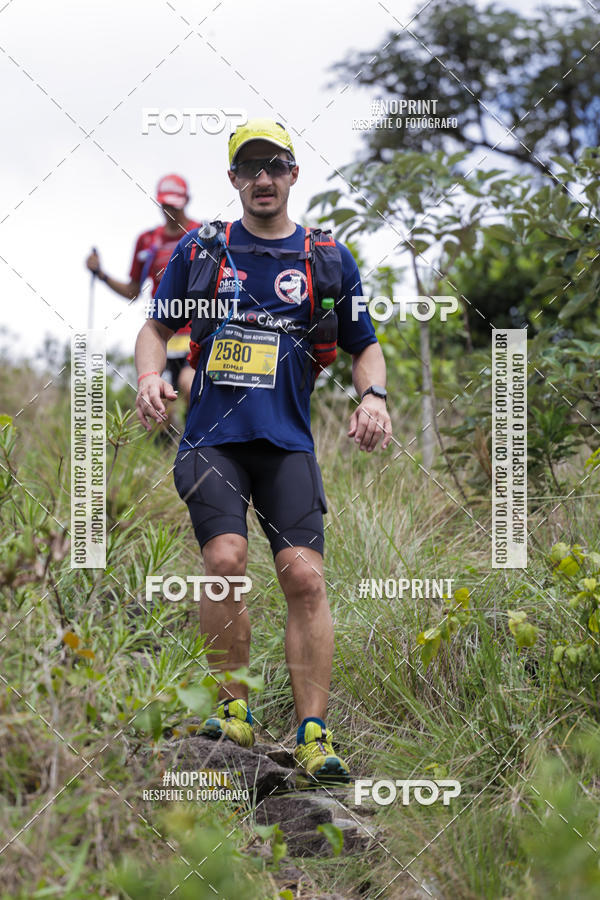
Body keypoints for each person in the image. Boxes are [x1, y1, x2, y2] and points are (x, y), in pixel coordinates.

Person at [133, 119, 393, 787]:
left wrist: (375, 399)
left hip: (288, 445)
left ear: (293, 175)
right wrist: (148, 376)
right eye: (251, 169)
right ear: (234, 181)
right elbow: (156, 328)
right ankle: (234, 710)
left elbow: (364, 344)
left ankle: (313, 734)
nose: (264, 179)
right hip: (213, 438)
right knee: (225, 558)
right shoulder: (202, 250)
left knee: (305, 578)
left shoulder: (326, 257)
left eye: (276, 166)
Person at [85, 174, 199, 405]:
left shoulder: (203, 234)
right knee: (157, 403)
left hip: (195, 333)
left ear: (187, 200)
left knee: (190, 386)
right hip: (161, 333)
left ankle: (197, 436)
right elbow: (133, 291)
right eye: (166, 205)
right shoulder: (147, 241)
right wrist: (101, 275)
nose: (170, 211)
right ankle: (166, 440)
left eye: (175, 205)